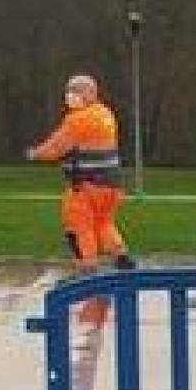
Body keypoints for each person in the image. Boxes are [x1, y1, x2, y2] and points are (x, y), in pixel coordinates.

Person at [27, 74, 135, 273]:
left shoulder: (77, 120)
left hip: (86, 187)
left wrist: (34, 154)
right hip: (112, 186)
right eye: (69, 90)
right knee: (104, 223)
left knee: (78, 227)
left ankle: (88, 269)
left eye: (76, 90)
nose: (70, 95)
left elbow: (56, 148)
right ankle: (123, 259)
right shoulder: (105, 114)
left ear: (91, 93)